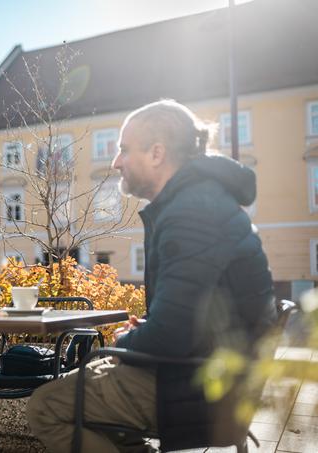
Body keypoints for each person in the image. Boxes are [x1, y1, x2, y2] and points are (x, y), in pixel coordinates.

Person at [27, 100, 278, 453]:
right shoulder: (202, 201)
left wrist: (123, 342)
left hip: (200, 385)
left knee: (46, 406)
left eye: (124, 150)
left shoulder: (192, 212)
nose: (115, 162)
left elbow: (172, 334)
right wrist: (143, 330)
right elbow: (193, 310)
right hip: (211, 373)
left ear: (157, 153)